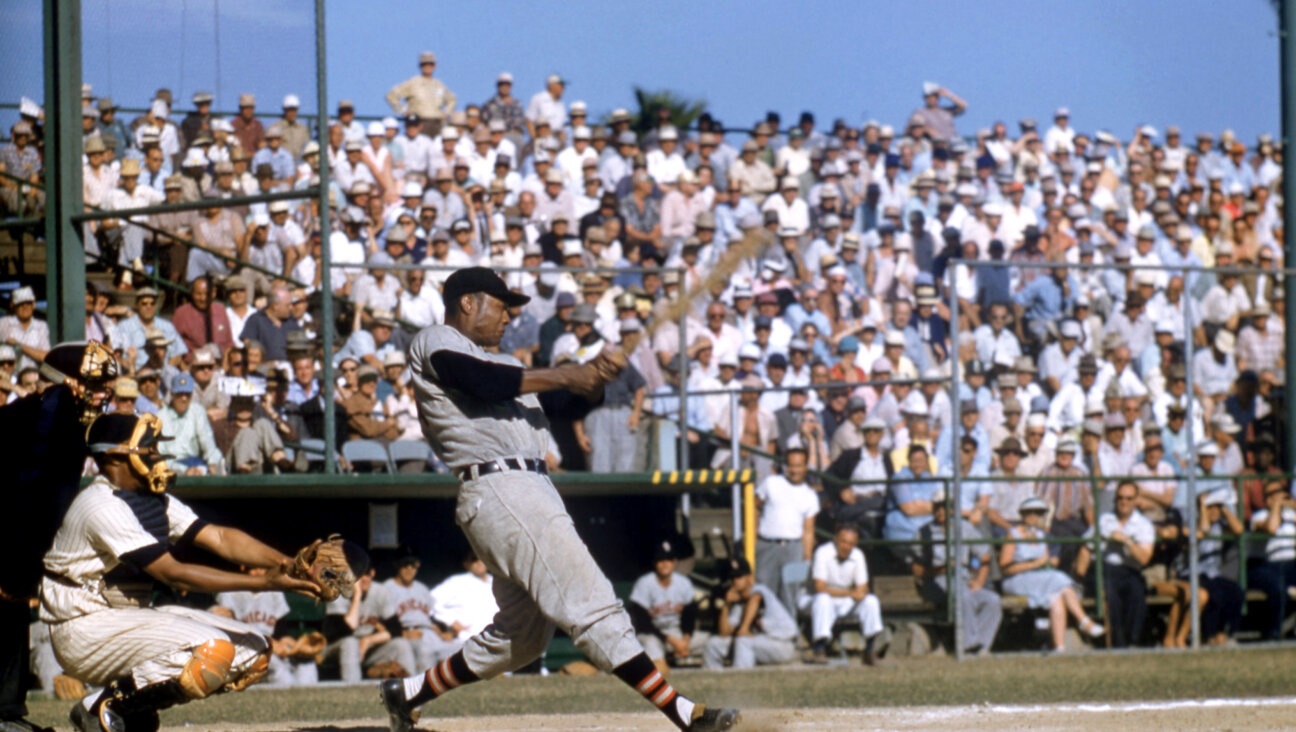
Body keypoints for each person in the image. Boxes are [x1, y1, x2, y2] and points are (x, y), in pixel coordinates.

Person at [382, 267, 739, 732]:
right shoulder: (436, 340)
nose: (509, 316)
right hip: (502, 486)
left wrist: (593, 382)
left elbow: (563, 405)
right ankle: (683, 713)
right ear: (467, 302)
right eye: (500, 304)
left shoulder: (508, 365)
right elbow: (481, 381)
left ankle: (407, 693)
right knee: (590, 600)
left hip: (522, 489)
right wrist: (568, 371)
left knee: (523, 636)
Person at [42, 412, 321, 731]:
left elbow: (218, 537)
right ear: (116, 456)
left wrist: (289, 563)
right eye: (147, 448)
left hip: (124, 620)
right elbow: (173, 573)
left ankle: (134, 710)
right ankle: (103, 707)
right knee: (212, 651)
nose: (156, 456)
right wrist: (269, 583)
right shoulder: (101, 504)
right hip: (83, 628)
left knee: (253, 653)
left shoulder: (151, 499)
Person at [0, 343, 117, 732]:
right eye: (95, 383)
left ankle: (5, 714)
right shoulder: (53, 412)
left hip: (12, 531)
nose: (104, 393)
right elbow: (32, 494)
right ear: (70, 382)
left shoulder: (62, 413)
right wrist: (19, 566)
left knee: (11, 609)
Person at [1000, 496, 1103, 653]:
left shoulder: (1041, 536)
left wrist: (1044, 563)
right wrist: (1033, 564)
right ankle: (1083, 620)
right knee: (1059, 579)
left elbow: (1047, 562)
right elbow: (1005, 567)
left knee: (1056, 595)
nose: (1034, 516)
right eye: (1030, 512)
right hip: (1017, 580)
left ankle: (1059, 647)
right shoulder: (1013, 534)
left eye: (1038, 512)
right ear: (1022, 514)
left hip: (1040, 580)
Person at [915, 489, 1002, 655]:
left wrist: (980, 581)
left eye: (945, 507)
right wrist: (943, 568)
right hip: (938, 580)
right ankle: (968, 645)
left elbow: (985, 555)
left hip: (963, 579)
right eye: (938, 507)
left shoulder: (965, 527)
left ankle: (982, 647)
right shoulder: (923, 532)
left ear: (953, 509)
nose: (941, 511)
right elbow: (917, 569)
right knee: (964, 595)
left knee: (993, 600)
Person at [1076, 480, 1155, 648]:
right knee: (1110, 594)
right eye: (1120, 498)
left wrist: (1126, 540)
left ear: (1135, 500)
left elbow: (1144, 558)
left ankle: (1133, 640)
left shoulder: (1143, 525)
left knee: (1136, 591)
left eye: (1128, 498)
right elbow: (1085, 548)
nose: (1124, 502)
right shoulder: (1104, 520)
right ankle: (1118, 644)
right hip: (1104, 568)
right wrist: (1080, 577)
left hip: (1129, 569)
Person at [804, 525, 884, 665]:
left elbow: (863, 587)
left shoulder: (858, 555)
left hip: (844, 600)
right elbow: (820, 587)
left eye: (851, 543)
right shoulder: (823, 552)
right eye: (843, 542)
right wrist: (852, 593)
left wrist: (860, 593)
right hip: (817, 599)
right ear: (835, 540)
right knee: (823, 600)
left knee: (871, 601)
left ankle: (870, 650)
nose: (847, 547)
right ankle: (819, 649)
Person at [702, 557, 797, 670]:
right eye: (732, 577)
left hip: (782, 644)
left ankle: (740, 681)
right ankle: (713, 683)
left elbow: (755, 599)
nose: (735, 581)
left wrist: (744, 628)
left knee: (743, 641)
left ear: (749, 578)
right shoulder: (738, 604)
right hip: (760, 643)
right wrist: (726, 605)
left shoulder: (760, 590)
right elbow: (724, 633)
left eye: (739, 576)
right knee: (713, 644)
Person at [628, 540, 708, 673]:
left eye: (668, 559)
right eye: (661, 560)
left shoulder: (683, 583)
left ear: (675, 562)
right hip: (653, 634)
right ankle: (662, 678)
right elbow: (643, 624)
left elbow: (690, 615)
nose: (665, 563)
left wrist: (685, 641)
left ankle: (709, 677)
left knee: (710, 641)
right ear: (655, 563)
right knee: (651, 644)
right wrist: (673, 642)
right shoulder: (644, 583)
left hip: (678, 633)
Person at [752, 445, 820, 602]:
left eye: (798, 466)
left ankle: (789, 626)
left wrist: (807, 558)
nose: (794, 470)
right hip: (766, 545)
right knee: (762, 590)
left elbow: (808, 530)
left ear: (805, 467)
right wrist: (753, 534)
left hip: (794, 549)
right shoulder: (771, 483)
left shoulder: (810, 496)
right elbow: (753, 507)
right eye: (791, 465)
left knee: (790, 593)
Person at [1247, 479, 1296, 641]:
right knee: (1277, 586)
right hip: (1267, 565)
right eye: (1275, 493)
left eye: (1282, 491)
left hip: (1291, 562)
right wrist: (1276, 505)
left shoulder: (1291, 514)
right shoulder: (1259, 515)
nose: (1281, 495)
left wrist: (1291, 504)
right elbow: (1271, 528)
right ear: (1267, 498)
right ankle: (1275, 632)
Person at [429, 551, 499, 644]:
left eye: (482, 558)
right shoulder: (457, 582)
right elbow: (428, 601)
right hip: (467, 642)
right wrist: (451, 621)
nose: (479, 562)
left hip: (497, 642)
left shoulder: (497, 583)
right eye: (474, 559)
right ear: (466, 564)